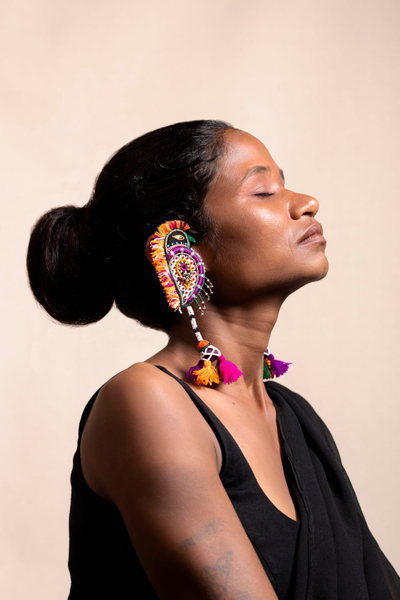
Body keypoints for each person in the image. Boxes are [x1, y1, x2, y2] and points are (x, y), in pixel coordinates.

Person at [26, 120, 400, 599]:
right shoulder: (146, 402)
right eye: (264, 191)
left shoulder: (297, 420)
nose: (306, 203)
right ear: (182, 248)